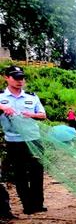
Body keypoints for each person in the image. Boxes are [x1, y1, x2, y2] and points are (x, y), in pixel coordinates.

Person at [0, 65, 47, 215]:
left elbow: (42, 114)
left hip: (33, 139)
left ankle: (38, 204)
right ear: (7, 78)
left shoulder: (31, 97)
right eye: (16, 78)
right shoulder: (1, 97)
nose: (20, 81)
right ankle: (28, 206)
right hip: (14, 140)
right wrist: (2, 107)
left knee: (36, 172)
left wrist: (31, 114)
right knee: (20, 173)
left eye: (22, 78)